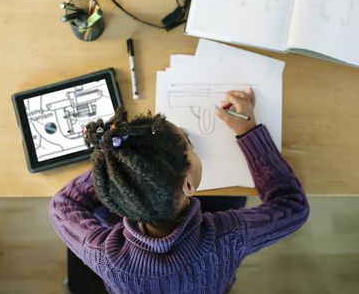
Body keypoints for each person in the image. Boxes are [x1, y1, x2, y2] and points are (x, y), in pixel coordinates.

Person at [49, 88, 309, 294]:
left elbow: (62, 204)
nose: (190, 142)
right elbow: (292, 207)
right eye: (188, 145)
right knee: (233, 197)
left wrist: (118, 167)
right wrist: (249, 131)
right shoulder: (228, 237)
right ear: (187, 185)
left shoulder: (103, 254)